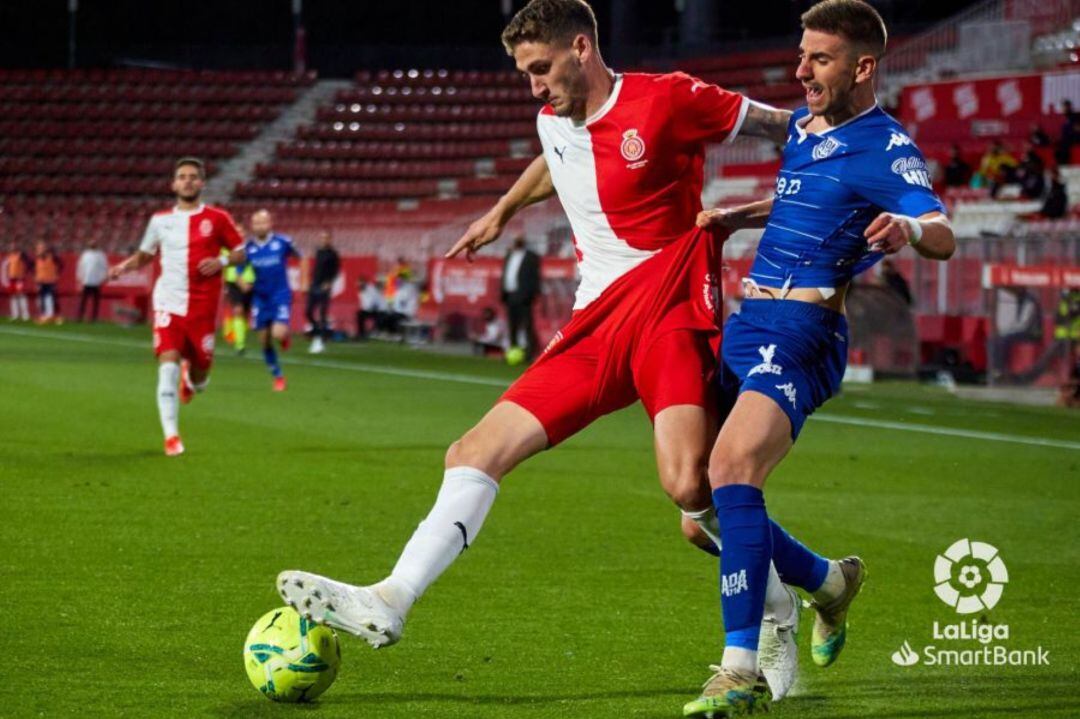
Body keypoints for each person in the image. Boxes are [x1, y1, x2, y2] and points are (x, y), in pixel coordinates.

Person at [276, 0, 830, 703]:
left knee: (692, 492)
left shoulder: (669, 99)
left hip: (670, 315)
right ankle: (391, 598)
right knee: (473, 451)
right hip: (594, 326)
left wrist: (839, 156)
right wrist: (502, 210)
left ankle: (793, 601)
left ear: (581, 48)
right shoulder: (553, 119)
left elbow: (784, 127)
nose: (534, 85)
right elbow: (555, 159)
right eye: (525, 73)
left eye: (540, 68)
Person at [690, 2, 955, 713]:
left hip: (803, 332)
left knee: (731, 469)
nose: (802, 71)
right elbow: (798, 200)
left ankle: (739, 669)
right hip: (748, 323)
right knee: (698, 515)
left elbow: (941, 231)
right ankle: (831, 583)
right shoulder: (804, 130)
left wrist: (907, 228)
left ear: (863, 67)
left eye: (820, 59)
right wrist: (736, 217)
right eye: (802, 55)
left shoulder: (886, 145)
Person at [108, 157, 244, 456]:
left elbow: (241, 251)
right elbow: (145, 254)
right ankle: (171, 436)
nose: (187, 181)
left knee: (201, 376)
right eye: (182, 176)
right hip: (168, 302)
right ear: (173, 184)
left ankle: (191, 380)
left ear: (202, 183)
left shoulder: (218, 218)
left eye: (193, 177)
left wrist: (221, 260)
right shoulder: (159, 220)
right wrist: (124, 266)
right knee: (167, 364)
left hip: (203, 307)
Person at [245, 209, 299, 391]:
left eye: (263, 222)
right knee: (264, 341)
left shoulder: (283, 242)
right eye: (256, 223)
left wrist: (304, 281)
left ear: (270, 224)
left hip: (280, 295)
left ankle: (284, 335)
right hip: (260, 298)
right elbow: (239, 269)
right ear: (252, 226)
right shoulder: (248, 248)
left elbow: (301, 257)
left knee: (277, 333)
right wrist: (242, 281)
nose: (260, 226)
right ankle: (278, 376)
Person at [988, 287, 1042, 381]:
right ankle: (995, 369)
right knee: (994, 340)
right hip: (1019, 330)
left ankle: (1000, 370)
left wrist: (1008, 331)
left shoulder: (1030, 301)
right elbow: (1015, 322)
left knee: (1004, 339)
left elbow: (1024, 323)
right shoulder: (1016, 299)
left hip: (1031, 333)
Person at [501, 235, 541, 360]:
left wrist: (531, 294)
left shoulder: (531, 257)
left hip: (524, 295)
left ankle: (529, 353)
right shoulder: (509, 255)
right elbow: (506, 274)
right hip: (510, 294)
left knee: (527, 324)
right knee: (512, 325)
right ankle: (513, 351)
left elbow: (535, 277)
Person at [306, 229, 340, 354]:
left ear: (330, 239)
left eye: (326, 238)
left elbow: (336, 271)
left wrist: (329, 282)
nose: (323, 240)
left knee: (322, 314)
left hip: (324, 287)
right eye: (322, 238)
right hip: (314, 285)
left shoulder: (333, 254)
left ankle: (320, 340)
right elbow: (316, 269)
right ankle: (317, 332)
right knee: (308, 312)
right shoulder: (318, 252)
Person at [222, 244, 256, 355]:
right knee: (238, 310)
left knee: (245, 314)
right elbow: (223, 264)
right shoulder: (225, 247)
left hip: (249, 281)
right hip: (233, 282)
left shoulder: (250, 246)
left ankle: (232, 329)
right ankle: (240, 345)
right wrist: (224, 282)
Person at [76, 239, 109, 322]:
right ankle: (80, 316)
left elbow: (104, 267)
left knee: (95, 300)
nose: (92, 245)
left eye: (93, 244)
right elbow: (80, 266)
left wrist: (102, 278)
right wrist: (80, 277)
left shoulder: (100, 255)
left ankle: (94, 317)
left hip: (96, 281)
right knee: (83, 300)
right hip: (86, 280)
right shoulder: (85, 254)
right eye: (91, 244)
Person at [33, 240, 63, 324]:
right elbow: (35, 269)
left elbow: (61, 264)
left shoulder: (52, 256)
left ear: (45, 249)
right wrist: (36, 277)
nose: (39, 250)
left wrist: (57, 273)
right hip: (41, 281)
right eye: (38, 248)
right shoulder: (37, 258)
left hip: (50, 281)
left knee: (51, 298)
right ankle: (45, 315)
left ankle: (55, 315)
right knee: (41, 298)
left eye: (41, 248)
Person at [3, 241, 32, 321]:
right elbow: (6, 267)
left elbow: (28, 263)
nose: (11, 248)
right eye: (10, 246)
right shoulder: (9, 256)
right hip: (12, 278)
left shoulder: (21, 255)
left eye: (13, 246)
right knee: (13, 295)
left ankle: (25, 315)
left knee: (21, 295)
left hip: (19, 278)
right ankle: (15, 314)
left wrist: (24, 273)